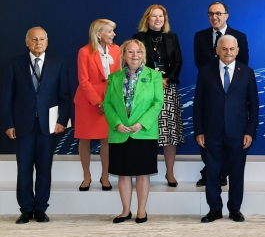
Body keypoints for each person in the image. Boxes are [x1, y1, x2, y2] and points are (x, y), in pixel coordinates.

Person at [3, 27, 71, 224]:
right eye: (34, 39)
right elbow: (7, 96)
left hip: (48, 126)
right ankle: (26, 209)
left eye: (42, 39)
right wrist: (9, 123)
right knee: (24, 169)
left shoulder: (58, 63)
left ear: (47, 42)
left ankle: (41, 209)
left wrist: (62, 121)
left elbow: (65, 95)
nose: (38, 42)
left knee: (44, 169)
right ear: (27, 42)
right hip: (22, 125)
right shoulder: (14, 63)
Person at [193, 35, 259, 223]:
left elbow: (254, 105)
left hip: (238, 132)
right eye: (224, 49)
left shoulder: (247, 72)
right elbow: (198, 104)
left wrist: (250, 132)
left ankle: (235, 209)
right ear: (217, 50)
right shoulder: (206, 72)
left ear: (237, 51)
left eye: (231, 49)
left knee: (237, 172)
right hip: (211, 131)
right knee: (212, 172)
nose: (228, 52)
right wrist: (199, 131)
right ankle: (214, 209)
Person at [103, 39, 163, 224]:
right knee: (123, 173)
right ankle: (125, 211)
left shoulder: (154, 76)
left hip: (143, 132)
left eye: (138, 51)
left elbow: (157, 103)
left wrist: (141, 124)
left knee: (143, 173)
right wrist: (116, 123)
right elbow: (107, 104)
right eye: (130, 52)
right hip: (120, 132)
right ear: (123, 55)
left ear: (143, 54)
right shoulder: (114, 77)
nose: (135, 55)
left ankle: (141, 211)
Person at [192, 1, 249, 188]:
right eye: (210, 14)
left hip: (232, 99)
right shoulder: (200, 37)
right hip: (211, 97)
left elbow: (243, 67)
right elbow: (199, 64)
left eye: (218, 13)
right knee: (211, 142)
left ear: (226, 15)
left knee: (230, 142)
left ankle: (223, 173)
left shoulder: (239, 36)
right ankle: (211, 172)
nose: (214, 17)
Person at [133, 5, 183, 187]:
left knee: (169, 134)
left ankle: (170, 172)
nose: (157, 19)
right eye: (154, 16)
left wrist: (167, 79)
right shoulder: (138, 38)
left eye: (161, 16)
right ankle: (146, 171)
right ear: (147, 19)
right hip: (146, 89)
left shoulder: (172, 37)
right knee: (148, 132)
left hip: (167, 88)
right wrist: (154, 80)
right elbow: (136, 61)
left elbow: (178, 61)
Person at [73, 19, 119, 192]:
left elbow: (117, 78)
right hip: (87, 102)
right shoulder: (84, 52)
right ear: (98, 34)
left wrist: (108, 102)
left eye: (113, 31)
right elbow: (83, 81)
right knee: (84, 139)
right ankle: (86, 176)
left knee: (106, 139)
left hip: (108, 102)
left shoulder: (116, 50)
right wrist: (98, 102)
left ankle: (105, 176)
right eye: (110, 31)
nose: (113, 34)